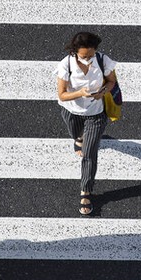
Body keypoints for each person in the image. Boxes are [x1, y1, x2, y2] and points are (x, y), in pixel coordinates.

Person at [55, 31, 118, 215]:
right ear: (75, 52)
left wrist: (103, 92)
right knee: (76, 134)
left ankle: (86, 191)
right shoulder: (65, 64)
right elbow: (62, 95)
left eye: (91, 55)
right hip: (72, 112)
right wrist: (80, 93)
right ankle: (79, 137)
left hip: (96, 114)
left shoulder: (103, 60)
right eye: (84, 56)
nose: (88, 59)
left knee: (89, 154)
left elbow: (112, 82)